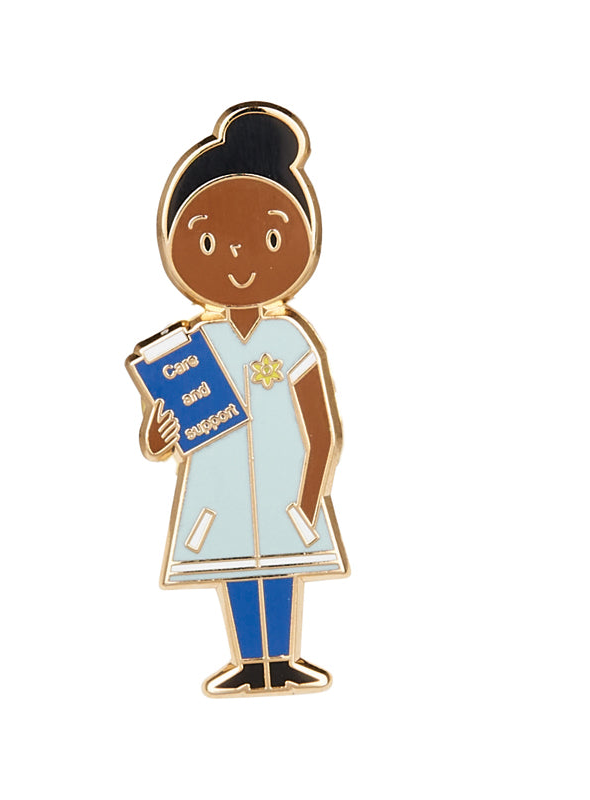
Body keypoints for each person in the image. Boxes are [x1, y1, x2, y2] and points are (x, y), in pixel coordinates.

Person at [128, 102, 349, 696]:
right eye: (208, 242)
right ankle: (252, 662)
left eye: (270, 237)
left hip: (286, 486)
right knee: (234, 566)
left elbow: (321, 424)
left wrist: (310, 494)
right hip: (217, 489)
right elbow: (161, 433)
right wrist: (156, 435)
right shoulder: (192, 345)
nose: (237, 259)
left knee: (279, 565)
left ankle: (283, 659)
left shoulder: (291, 336)